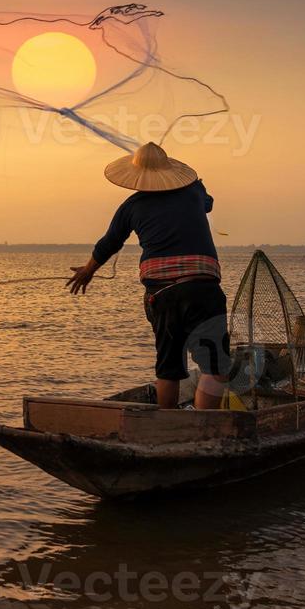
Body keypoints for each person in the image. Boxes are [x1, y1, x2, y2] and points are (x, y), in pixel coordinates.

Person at [66, 142, 230, 410]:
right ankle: (202, 428)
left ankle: (164, 429)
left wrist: (87, 271)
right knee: (214, 368)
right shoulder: (194, 193)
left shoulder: (131, 206)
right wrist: (198, 184)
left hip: (161, 296)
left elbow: (109, 242)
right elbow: (208, 204)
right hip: (202, 291)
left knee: (169, 369)